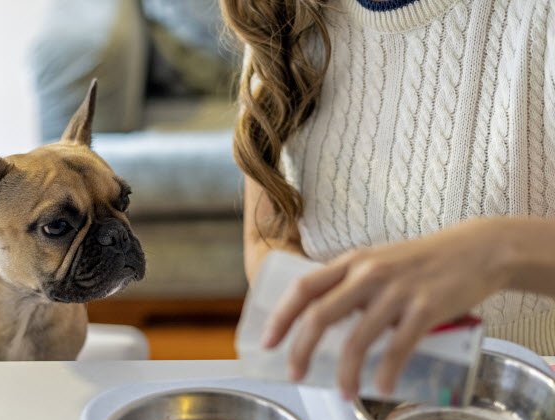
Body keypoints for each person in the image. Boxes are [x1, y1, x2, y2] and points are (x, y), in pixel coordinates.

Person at [220, 0, 555, 399]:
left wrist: (498, 250)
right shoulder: (283, 15)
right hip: (346, 393)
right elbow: (270, 238)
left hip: (530, 394)